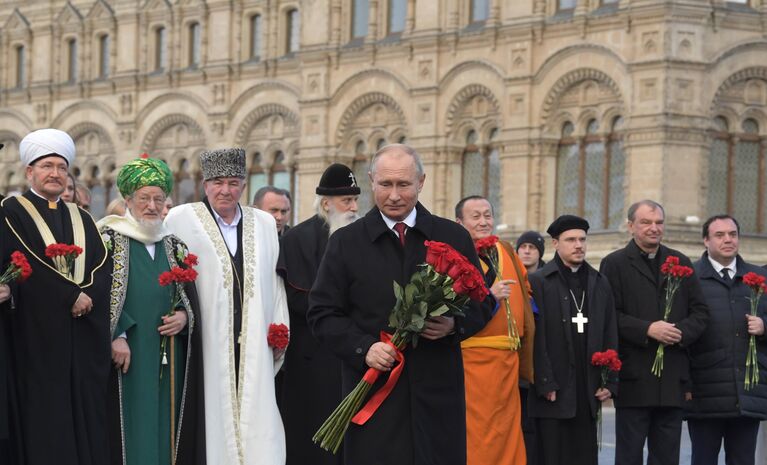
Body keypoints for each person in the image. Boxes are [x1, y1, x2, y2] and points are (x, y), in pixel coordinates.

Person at [307, 144, 493, 465]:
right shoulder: (345, 243)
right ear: (372, 181)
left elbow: (482, 303)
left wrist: (453, 325)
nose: (394, 195)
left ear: (421, 182)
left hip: (437, 393)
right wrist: (363, 347)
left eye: (403, 185)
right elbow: (322, 314)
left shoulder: (453, 237)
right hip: (372, 395)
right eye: (385, 185)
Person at [164, 148, 289, 465]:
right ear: (205, 184)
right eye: (218, 182)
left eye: (233, 182)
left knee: (258, 410)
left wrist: (278, 329)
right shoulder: (181, 218)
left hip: (254, 337)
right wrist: (180, 311)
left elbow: (275, 282)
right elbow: (167, 273)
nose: (225, 190)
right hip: (206, 338)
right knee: (212, 413)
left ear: (243, 186)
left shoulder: (262, 222)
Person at [1, 128, 111, 465]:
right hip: (38, 337)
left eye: (62, 168)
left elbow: (102, 263)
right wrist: (67, 296)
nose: (55, 174)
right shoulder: (11, 211)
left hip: (81, 336)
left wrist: (86, 294)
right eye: (47, 166)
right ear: (29, 171)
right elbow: (20, 257)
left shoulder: (83, 217)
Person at [98, 156, 205, 465]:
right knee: (134, 422)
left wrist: (185, 317)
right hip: (128, 351)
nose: (152, 205)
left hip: (170, 353)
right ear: (128, 200)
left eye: (159, 199)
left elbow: (190, 297)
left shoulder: (174, 246)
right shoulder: (108, 240)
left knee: (166, 423)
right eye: (144, 198)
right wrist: (116, 334)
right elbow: (98, 293)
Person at [600, 200, 709, 465]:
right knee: (629, 456)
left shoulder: (680, 262)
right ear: (630, 226)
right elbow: (609, 315)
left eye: (659, 222)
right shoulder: (614, 264)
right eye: (646, 222)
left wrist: (679, 332)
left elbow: (701, 312)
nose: (654, 228)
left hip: (672, 379)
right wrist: (648, 329)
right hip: (634, 379)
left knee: (667, 457)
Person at [276, 163, 360, 465]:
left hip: (353, 354)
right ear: (326, 203)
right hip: (311, 357)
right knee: (311, 437)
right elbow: (296, 297)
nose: (353, 207)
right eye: (346, 201)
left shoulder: (360, 235)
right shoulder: (298, 239)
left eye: (355, 200)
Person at [527, 215, 618, 465]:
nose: (578, 245)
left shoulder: (599, 282)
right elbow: (534, 337)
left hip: (588, 388)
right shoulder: (539, 281)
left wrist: (610, 380)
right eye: (571, 240)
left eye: (582, 239)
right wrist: (545, 382)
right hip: (553, 388)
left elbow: (611, 332)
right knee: (551, 456)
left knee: (584, 456)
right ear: (555, 243)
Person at [455, 195, 535, 465]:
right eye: (475, 216)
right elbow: (450, 308)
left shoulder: (507, 251)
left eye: (487, 215)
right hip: (472, 363)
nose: (483, 221)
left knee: (508, 429)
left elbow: (526, 295)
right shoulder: (452, 256)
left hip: (507, 361)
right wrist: (489, 296)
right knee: (478, 432)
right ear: (460, 222)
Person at [686, 214, 767, 465]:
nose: (728, 240)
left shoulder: (759, 277)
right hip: (705, 391)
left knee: (743, 460)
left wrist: (765, 327)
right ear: (706, 241)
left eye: (732, 234)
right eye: (719, 235)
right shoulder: (690, 278)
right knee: (703, 459)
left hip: (748, 391)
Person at [515, 229, 546, 464]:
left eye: (532, 247)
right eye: (523, 247)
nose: (526, 251)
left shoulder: (548, 280)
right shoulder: (509, 277)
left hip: (540, 364)